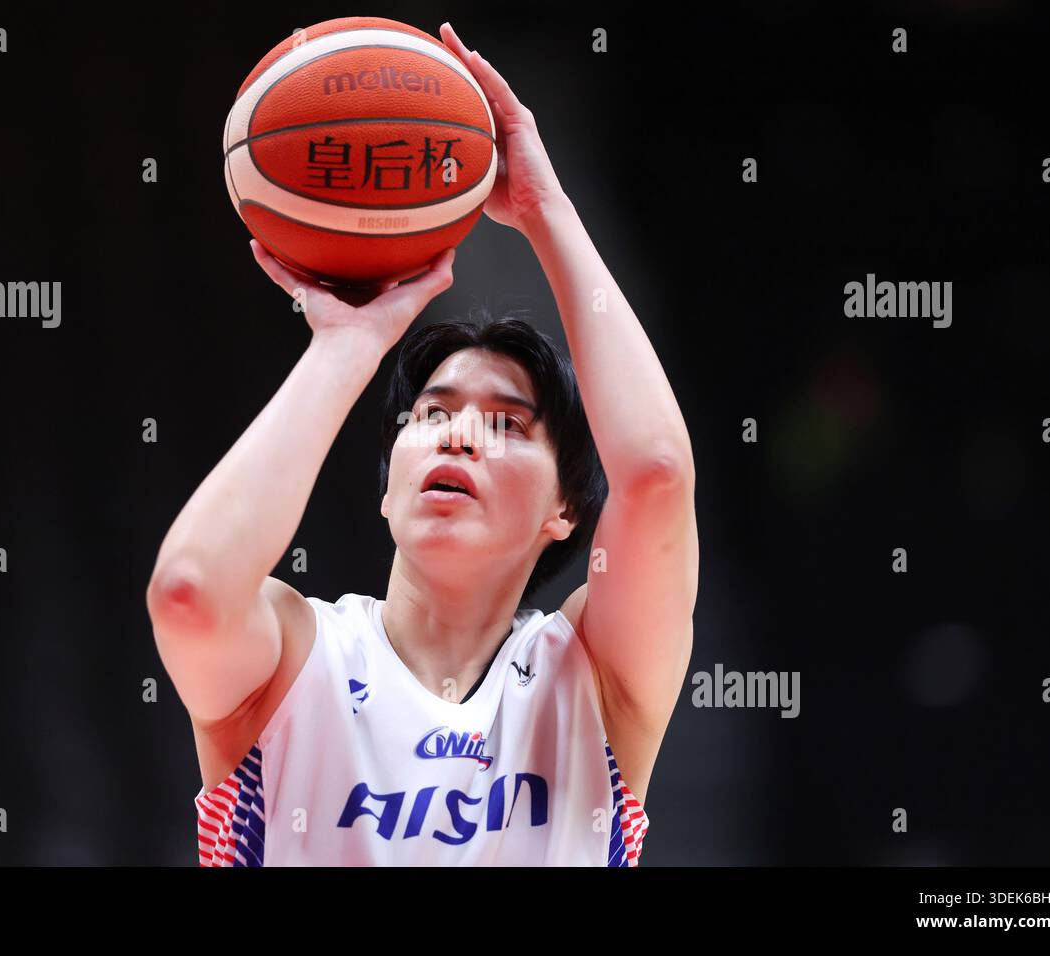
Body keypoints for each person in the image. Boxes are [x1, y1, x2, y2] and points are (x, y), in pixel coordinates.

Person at [147, 22, 698, 865]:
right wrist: (345, 347)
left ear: (564, 509)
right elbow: (188, 591)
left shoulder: (594, 678)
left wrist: (545, 211)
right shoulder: (299, 657)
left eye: (507, 422)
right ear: (387, 487)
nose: (460, 433)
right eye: (431, 413)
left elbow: (656, 473)